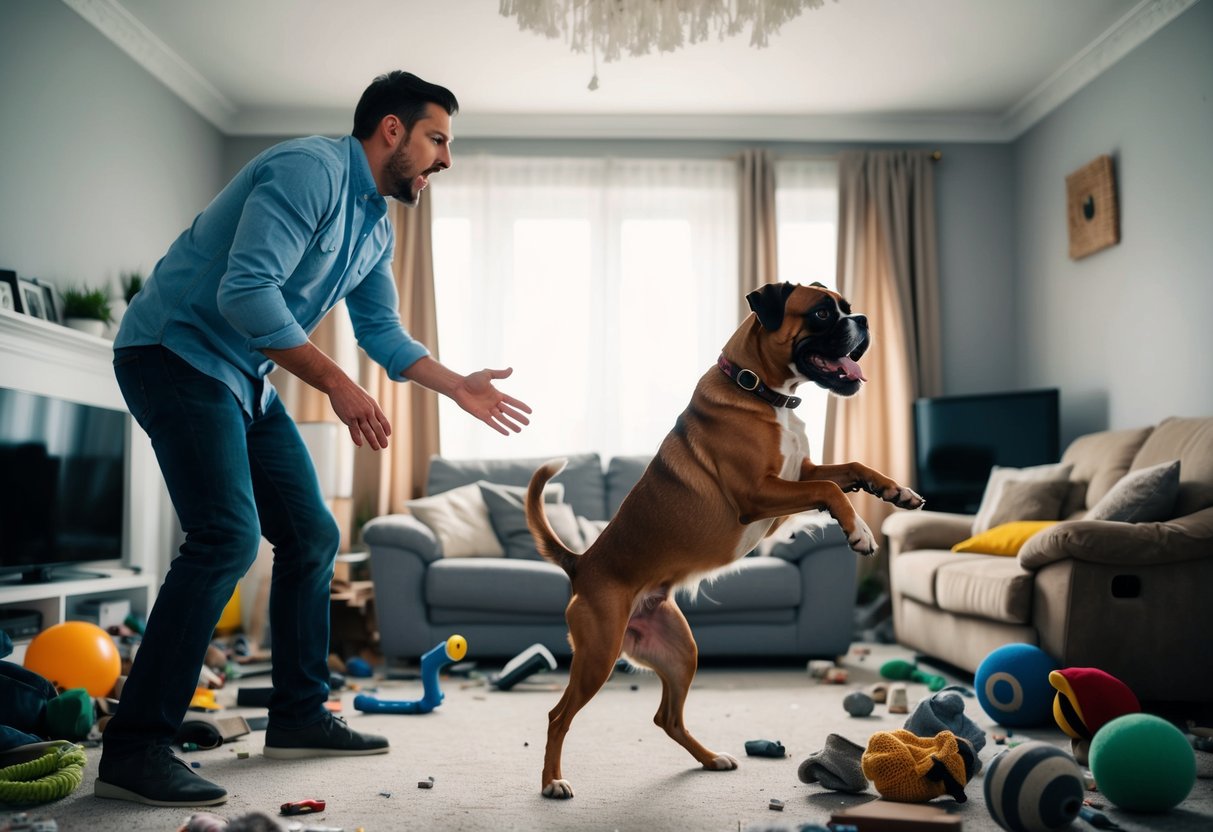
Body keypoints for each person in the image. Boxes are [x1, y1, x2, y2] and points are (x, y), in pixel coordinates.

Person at [95, 71, 531, 807]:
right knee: (227, 538)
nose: (445, 161)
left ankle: (297, 715)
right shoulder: (309, 170)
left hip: (243, 376)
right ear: (390, 130)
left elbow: (382, 333)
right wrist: (335, 383)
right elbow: (245, 291)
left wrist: (455, 384)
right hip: (173, 353)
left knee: (311, 535)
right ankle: (135, 747)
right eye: (437, 140)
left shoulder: (374, 225)